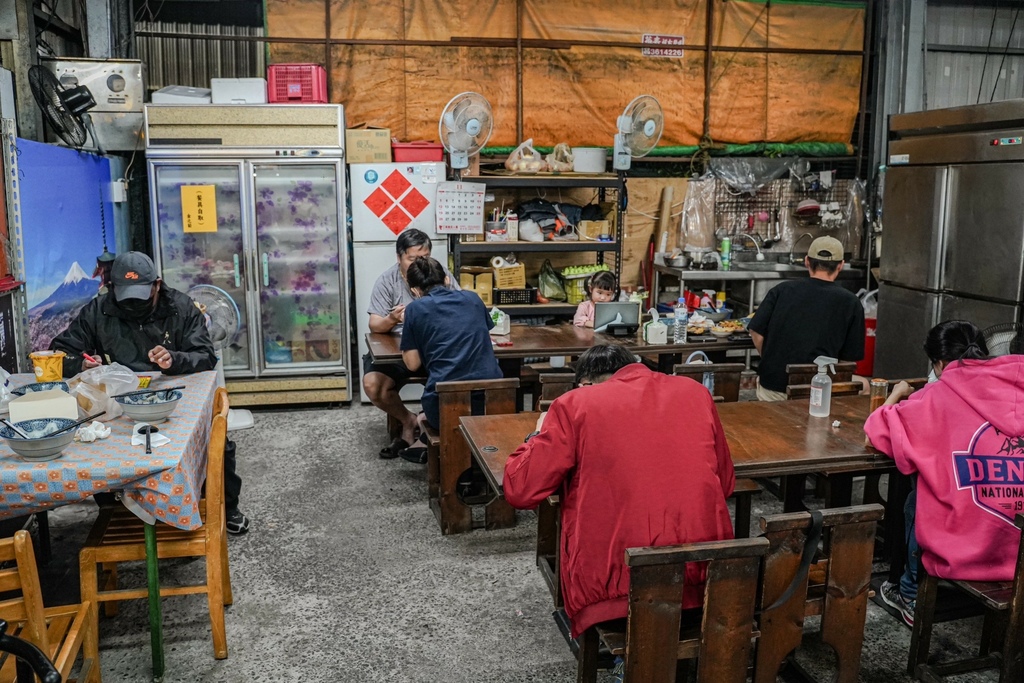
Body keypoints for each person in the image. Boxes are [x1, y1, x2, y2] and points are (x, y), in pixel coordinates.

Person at [502, 344, 735, 641]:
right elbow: (726, 484)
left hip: (616, 587)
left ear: (586, 382)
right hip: (705, 575)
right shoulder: (695, 392)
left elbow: (521, 490)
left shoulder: (575, 403)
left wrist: (537, 435)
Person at [50, 252, 250, 535]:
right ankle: (117, 513)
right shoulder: (98, 311)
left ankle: (227, 507)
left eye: (141, 296)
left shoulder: (180, 307)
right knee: (100, 449)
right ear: (112, 290)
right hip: (117, 403)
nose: (134, 305)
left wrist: (174, 359)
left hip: (173, 396)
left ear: (157, 285)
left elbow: (205, 356)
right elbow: (60, 351)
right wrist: (80, 363)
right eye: (126, 297)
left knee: (214, 442)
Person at [865, 320, 1024, 628]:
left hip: (960, 550)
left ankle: (910, 594)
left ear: (938, 362)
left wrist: (897, 393)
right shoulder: (1016, 388)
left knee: (919, 498)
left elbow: (874, 434)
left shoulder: (934, 398)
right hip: (1016, 553)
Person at [363, 229, 460, 459]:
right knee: (373, 385)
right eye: (412, 259)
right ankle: (408, 420)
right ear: (399, 257)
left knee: (455, 374)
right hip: (399, 349)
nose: (420, 264)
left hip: (435, 348)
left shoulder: (440, 274)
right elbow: (375, 323)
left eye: (424, 258)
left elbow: (458, 303)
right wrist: (393, 319)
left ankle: (431, 427)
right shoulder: (388, 280)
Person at [399, 257, 501, 463]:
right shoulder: (473, 299)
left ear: (415, 291)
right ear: (446, 280)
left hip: (445, 405)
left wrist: (410, 327)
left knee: (429, 413)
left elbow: (412, 364)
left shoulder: (415, 309)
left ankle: (430, 441)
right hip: (495, 400)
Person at [747, 236, 864, 401]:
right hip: (820, 393)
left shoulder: (781, 290)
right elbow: (847, 361)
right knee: (864, 385)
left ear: (807, 261)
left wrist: (771, 360)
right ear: (841, 265)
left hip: (773, 390)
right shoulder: (851, 302)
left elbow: (755, 331)